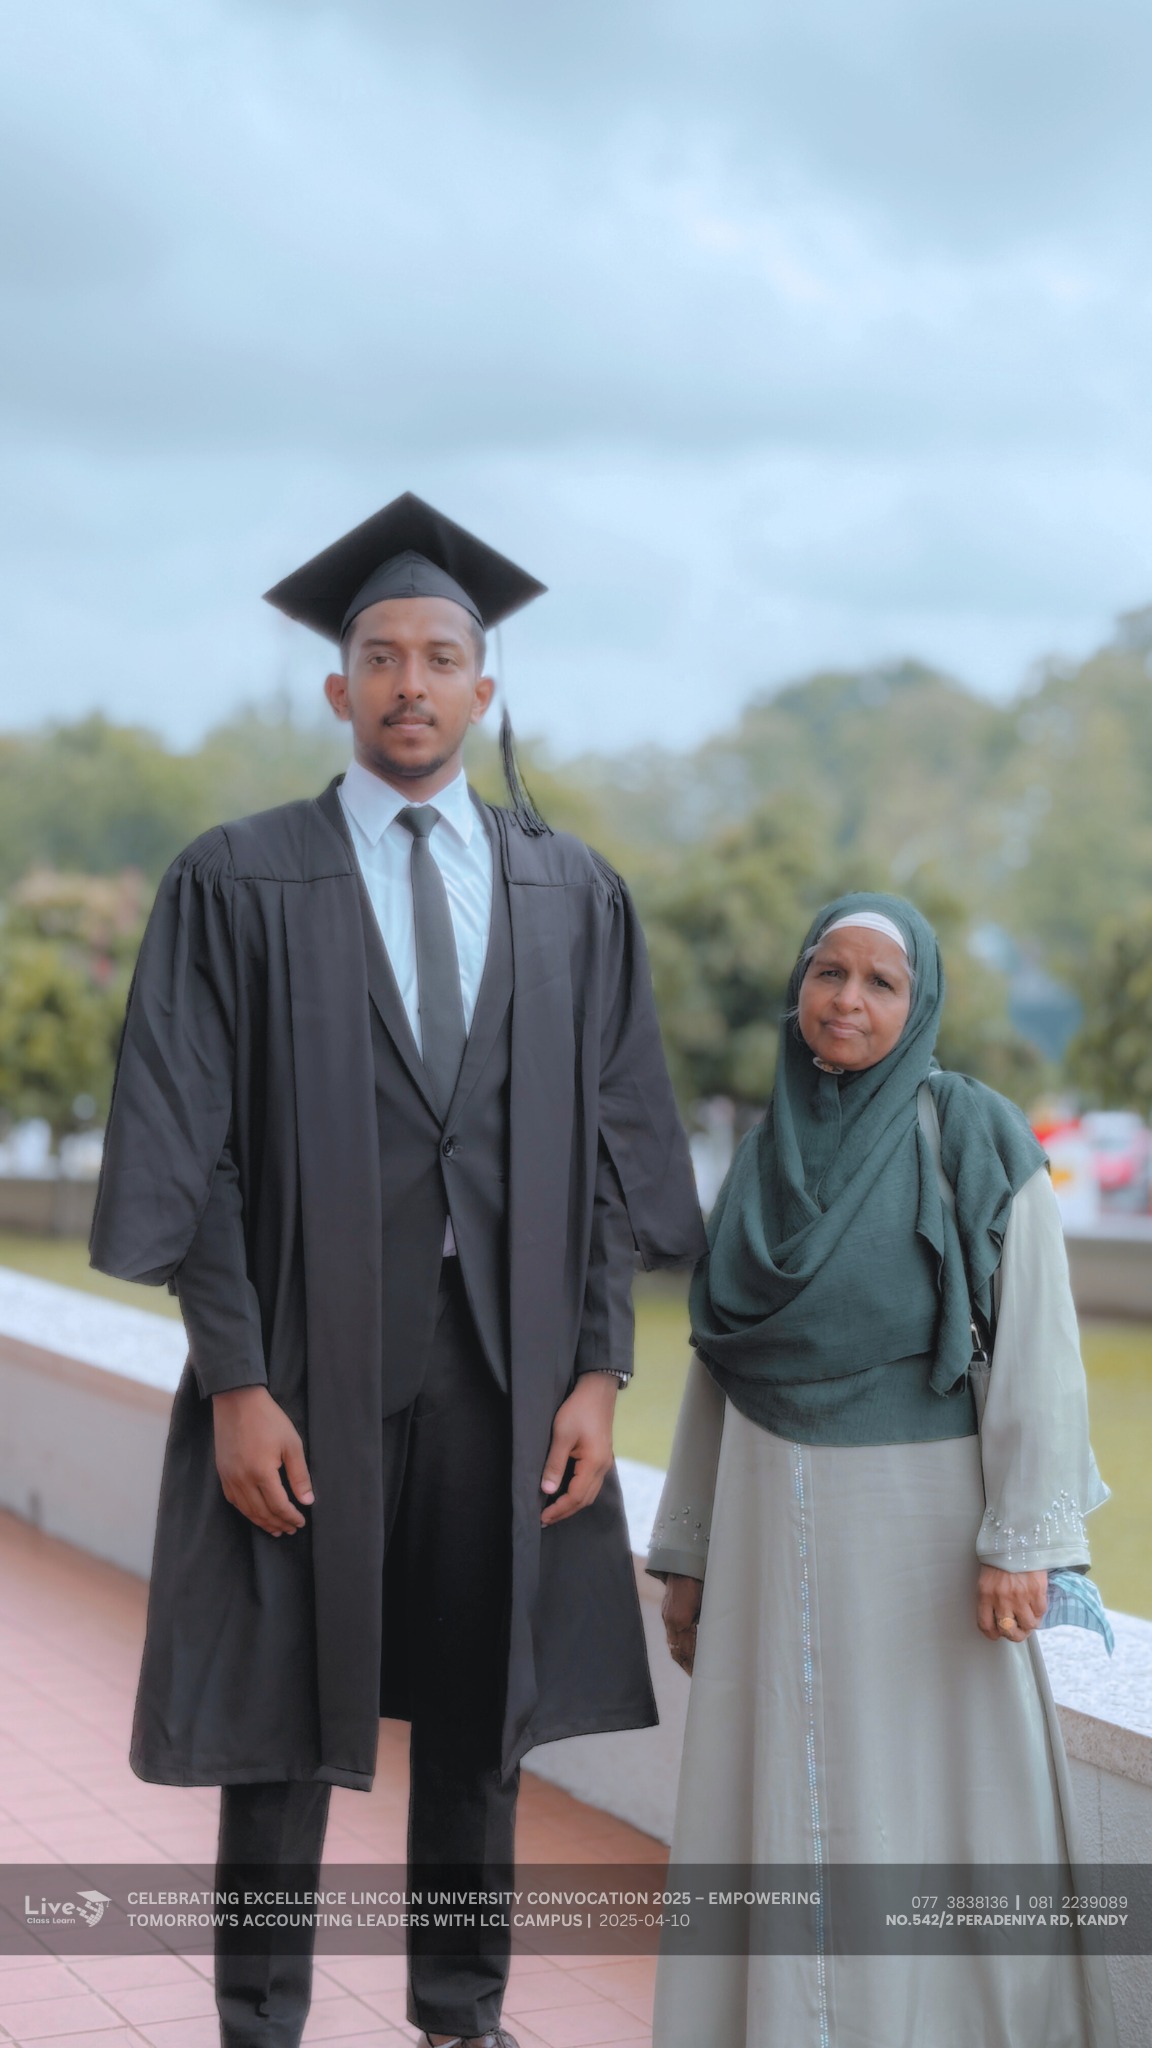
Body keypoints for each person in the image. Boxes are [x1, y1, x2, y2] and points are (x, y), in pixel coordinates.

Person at [90, 491, 705, 2048]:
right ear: (336, 687)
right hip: (303, 1357)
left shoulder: (569, 892)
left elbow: (611, 1151)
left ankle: (460, 2011)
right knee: (281, 1717)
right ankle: (260, 2024)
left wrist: (598, 1368)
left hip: (505, 1364)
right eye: (381, 658)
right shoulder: (239, 880)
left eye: (439, 658)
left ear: (484, 690)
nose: (409, 684)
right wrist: (237, 1381)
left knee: (485, 1711)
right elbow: (195, 1149)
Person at [648, 891, 1119, 2048]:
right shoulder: (762, 1158)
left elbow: (1039, 1346)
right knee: (778, 1785)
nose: (848, 999)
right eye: (829, 972)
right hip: (767, 1523)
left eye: (880, 981)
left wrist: (1023, 1537)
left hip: (926, 1540)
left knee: (941, 1799)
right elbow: (722, 1361)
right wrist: (691, 1552)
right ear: (799, 988)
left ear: (921, 1002)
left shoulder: (972, 1133)